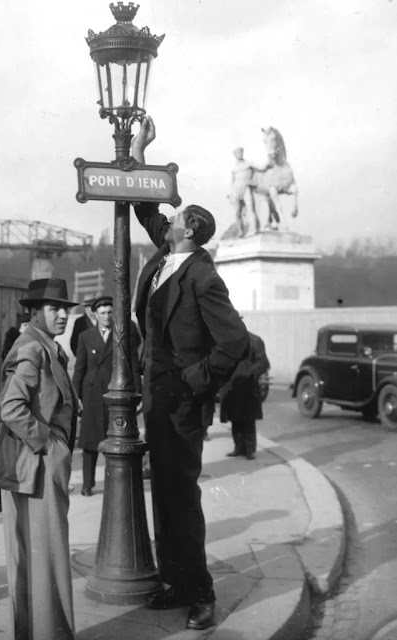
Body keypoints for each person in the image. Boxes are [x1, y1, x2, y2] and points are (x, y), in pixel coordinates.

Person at [131, 116, 250, 631]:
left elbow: (235, 342)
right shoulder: (167, 254)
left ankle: (201, 592)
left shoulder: (202, 274)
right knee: (166, 494)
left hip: (179, 400)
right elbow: (142, 202)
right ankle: (176, 582)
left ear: (191, 230)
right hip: (156, 395)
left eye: (176, 217)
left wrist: (190, 382)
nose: (169, 219)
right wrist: (137, 145)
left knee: (181, 495)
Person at [0, 278, 78, 640]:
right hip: (35, 466)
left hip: (35, 467)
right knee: (46, 557)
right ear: (35, 312)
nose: (62, 315)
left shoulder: (46, 346)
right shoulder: (32, 348)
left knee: (37, 558)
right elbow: (9, 407)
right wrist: (49, 443)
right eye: (54, 309)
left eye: (65, 309)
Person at [72, 295, 141, 496]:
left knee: (117, 441)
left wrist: (137, 392)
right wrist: (76, 396)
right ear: (95, 315)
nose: (107, 316)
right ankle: (87, 484)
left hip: (115, 393)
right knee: (89, 442)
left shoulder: (123, 335)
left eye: (110, 312)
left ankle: (116, 484)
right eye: (102, 313)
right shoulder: (85, 336)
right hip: (92, 394)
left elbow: (133, 365)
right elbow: (79, 369)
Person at [220, 331, 270, 459]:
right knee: (234, 418)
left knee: (248, 419)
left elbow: (263, 362)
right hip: (231, 385)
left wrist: (250, 373)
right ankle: (238, 447)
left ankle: (249, 449)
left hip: (247, 385)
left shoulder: (255, 340)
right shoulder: (226, 341)